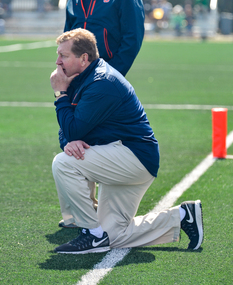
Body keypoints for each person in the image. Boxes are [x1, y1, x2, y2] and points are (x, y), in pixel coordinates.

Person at [50, 28, 204, 254]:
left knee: (63, 163)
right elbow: (68, 129)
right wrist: (68, 140)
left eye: (63, 56)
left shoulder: (102, 82)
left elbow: (72, 128)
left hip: (133, 158)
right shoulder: (77, 78)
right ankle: (182, 215)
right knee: (114, 236)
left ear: (84, 58)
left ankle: (91, 234)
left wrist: (59, 95)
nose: (57, 61)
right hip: (120, 156)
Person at [60, 0, 145, 228]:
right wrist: (64, 69)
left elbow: (132, 40)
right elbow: (67, 40)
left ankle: (95, 215)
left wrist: (112, 77)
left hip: (104, 84)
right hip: (77, 81)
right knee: (73, 137)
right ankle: (77, 213)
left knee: (99, 137)